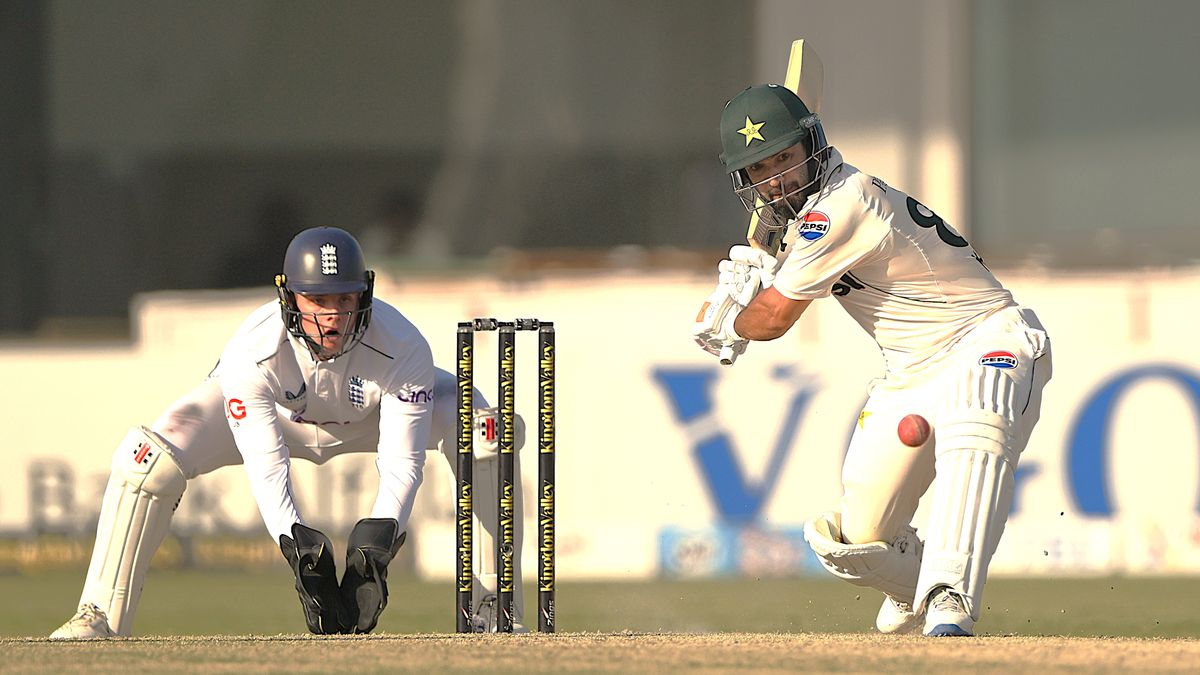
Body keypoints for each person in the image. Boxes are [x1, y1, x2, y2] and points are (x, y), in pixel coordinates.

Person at [693, 84, 1052, 637]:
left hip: (986, 337)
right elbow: (779, 266)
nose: (776, 178)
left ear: (812, 143)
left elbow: (772, 319)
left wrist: (728, 318)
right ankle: (916, 588)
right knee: (851, 543)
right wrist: (759, 271)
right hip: (910, 374)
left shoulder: (843, 204)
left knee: (976, 424)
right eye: (761, 168)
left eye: (785, 158)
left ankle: (948, 602)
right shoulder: (800, 220)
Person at [51, 226, 525, 637]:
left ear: (365, 292)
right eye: (317, 300)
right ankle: (100, 614)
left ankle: (494, 610)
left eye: (345, 298)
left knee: (488, 432)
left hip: (371, 419)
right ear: (288, 296)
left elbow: (402, 461)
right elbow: (266, 461)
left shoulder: (404, 345)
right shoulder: (251, 351)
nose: (333, 316)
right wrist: (296, 543)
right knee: (145, 458)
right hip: (282, 418)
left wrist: (377, 545)